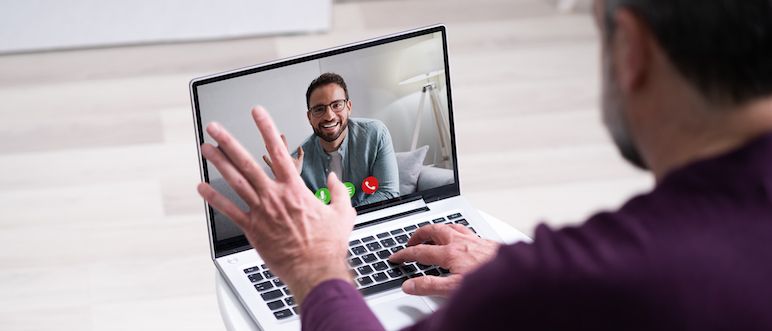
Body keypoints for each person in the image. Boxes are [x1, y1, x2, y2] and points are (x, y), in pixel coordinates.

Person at [197, 0, 772, 329]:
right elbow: (332, 197)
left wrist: (316, 266)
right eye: (318, 109)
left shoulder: (572, 282)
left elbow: (376, 187)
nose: (328, 117)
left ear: (631, 49)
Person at [263, 72, 400, 207]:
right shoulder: (296, 163)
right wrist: (291, 182)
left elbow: (389, 193)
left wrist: (345, 218)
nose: (329, 116)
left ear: (349, 107)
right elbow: (299, 218)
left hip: (372, 221)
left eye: (336, 105)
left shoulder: (376, 133)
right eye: (319, 109)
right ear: (309, 117)